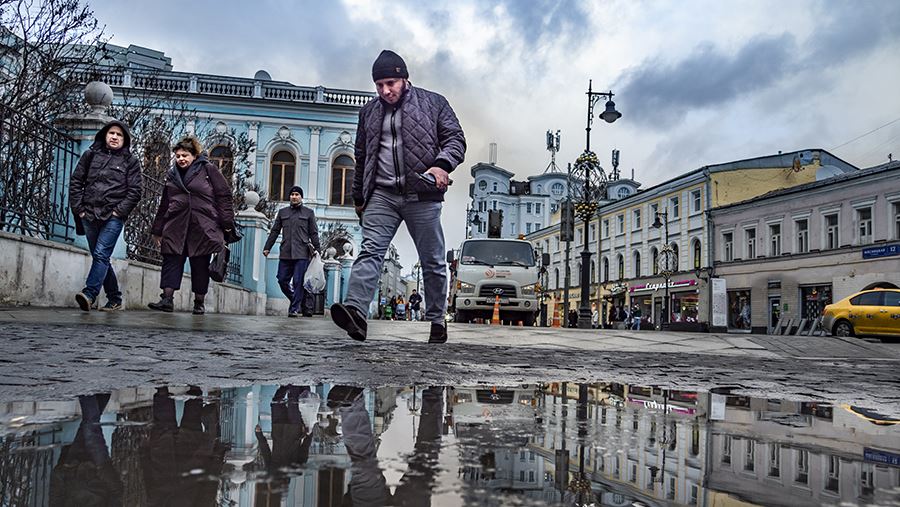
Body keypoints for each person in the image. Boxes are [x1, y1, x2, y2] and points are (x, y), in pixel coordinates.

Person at [330, 49, 466, 344]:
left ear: (404, 78)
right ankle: (356, 312)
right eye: (379, 85)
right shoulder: (368, 112)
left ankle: (436, 318)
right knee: (370, 250)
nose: (385, 90)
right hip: (382, 194)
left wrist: (442, 165)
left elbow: (456, 139)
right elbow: (362, 156)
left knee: (432, 260)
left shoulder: (434, 103)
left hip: (422, 193)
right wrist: (358, 198)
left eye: (390, 82)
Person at [148, 137, 235, 315]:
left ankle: (199, 302)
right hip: (175, 224)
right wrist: (157, 229)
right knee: (171, 259)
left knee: (200, 264)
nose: (181, 159)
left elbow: (224, 196)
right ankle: (167, 299)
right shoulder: (172, 175)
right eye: (178, 156)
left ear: (194, 155)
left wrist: (226, 223)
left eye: (185, 155)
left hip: (202, 225)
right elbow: (164, 203)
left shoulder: (208, 170)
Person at [69, 120, 142, 312]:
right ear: (105, 135)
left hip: (113, 216)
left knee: (101, 254)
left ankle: (89, 294)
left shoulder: (131, 162)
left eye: (119, 135)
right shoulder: (90, 155)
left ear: (125, 140)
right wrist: (79, 209)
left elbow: (135, 191)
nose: (115, 137)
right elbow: (76, 181)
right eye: (112, 133)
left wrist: (119, 211)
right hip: (89, 214)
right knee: (100, 257)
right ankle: (115, 298)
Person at [263, 186, 321, 318]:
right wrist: (267, 247)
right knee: (282, 280)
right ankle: (297, 301)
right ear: (290, 197)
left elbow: (314, 233)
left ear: (301, 197)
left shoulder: (308, 213)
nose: (294, 196)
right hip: (286, 252)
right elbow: (275, 231)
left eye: (297, 194)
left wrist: (318, 250)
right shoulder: (282, 212)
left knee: (298, 282)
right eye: (292, 194)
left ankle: (294, 309)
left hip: (302, 253)